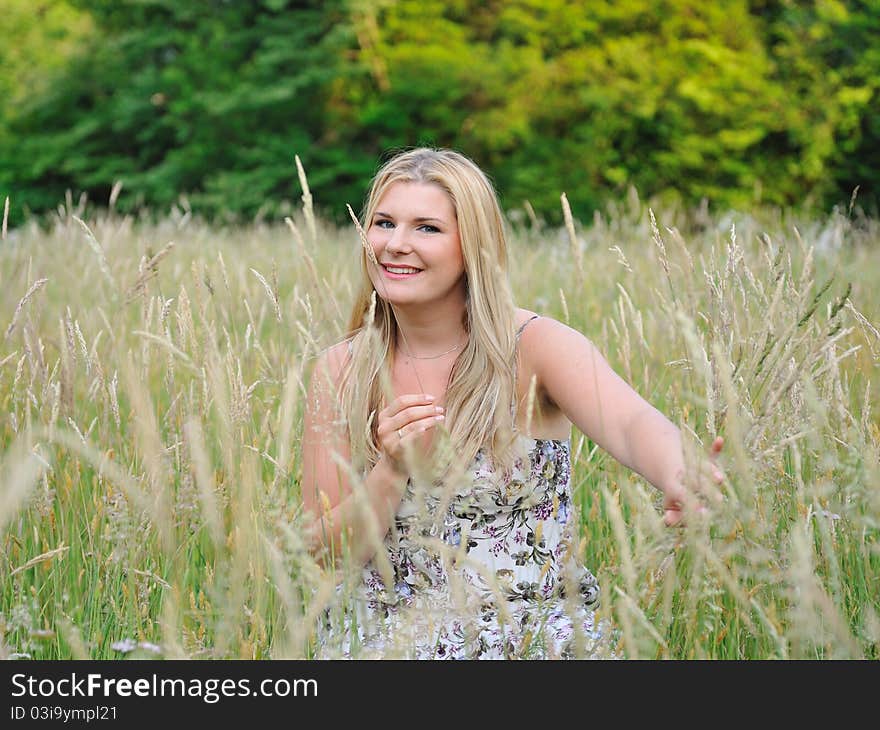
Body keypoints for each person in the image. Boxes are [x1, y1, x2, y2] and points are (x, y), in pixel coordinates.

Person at [300, 147, 724, 659]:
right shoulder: (341, 369)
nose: (396, 244)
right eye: (384, 223)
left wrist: (680, 471)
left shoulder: (534, 347)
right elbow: (327, 550)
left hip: (527, 633)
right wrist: (393, 470)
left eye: (427, 229)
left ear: (471, 246)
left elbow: (632, 422)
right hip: (384, 638)